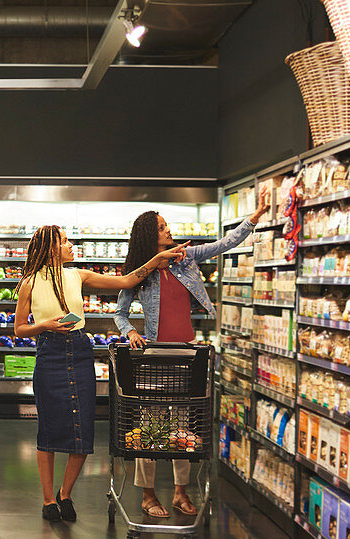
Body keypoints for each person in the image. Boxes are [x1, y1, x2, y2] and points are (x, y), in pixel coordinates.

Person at [13, 225, 187, 523]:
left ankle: (65, 494)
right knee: (50, 427)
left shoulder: (78, 275)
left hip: (80, 350)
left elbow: (126, 280)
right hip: (50, 352)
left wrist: (157, 260)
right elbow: (19, 329)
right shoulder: (29, 282)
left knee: (82, 426)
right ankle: (47, 500)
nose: (71, 245)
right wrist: (45, 326)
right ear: (51, 248)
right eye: (66, 241)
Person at [114, 187, 270, 518]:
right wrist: (129, 332)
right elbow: (120, 312)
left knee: (183, 429)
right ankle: (148, 495)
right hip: (154, 357)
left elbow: (223, 244)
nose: (169, 230)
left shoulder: (186, 259)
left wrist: (254, 218)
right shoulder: (139, 272)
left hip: (185, 354)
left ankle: (180, 493)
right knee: (151, 428)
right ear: (148, 236)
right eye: (162, 227)